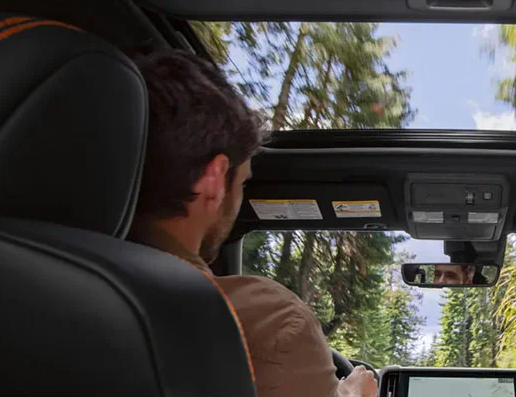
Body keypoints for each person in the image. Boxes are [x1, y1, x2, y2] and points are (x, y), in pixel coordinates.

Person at [125, 47, 377, 397]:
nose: (240, 195)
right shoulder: (270, 322)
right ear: (214, 180)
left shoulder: (34, 282)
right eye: (242, 183)